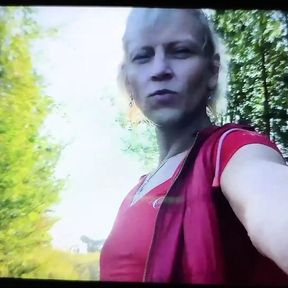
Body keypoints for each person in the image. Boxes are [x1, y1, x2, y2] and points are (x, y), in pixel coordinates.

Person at [100, 8, 288, 284]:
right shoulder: (134, 192)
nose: (160, 69)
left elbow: (270, 198)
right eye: (143, 56)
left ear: (212, 70)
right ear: (128, 79)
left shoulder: (234, 152)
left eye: (180, 51)